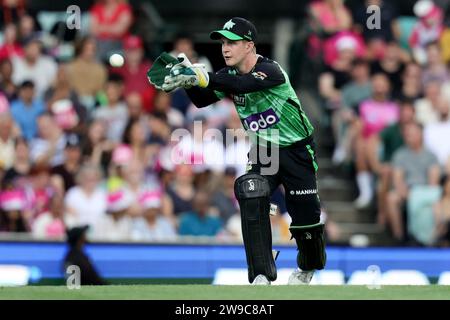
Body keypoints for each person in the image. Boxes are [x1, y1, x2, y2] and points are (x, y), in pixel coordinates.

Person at [153, 17, 326, 285]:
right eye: (222, 43)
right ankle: (261, 274)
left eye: (231, 42)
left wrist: (201, 76)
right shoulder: (229, 75)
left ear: (249, 45)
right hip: (263, 150)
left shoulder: (271, 70)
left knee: (307, 218)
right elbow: (203, 100)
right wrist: (188, 83)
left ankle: (307, 267)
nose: (225, 48)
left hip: (296, 149)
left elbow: (243, 85)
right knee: (251, 192)